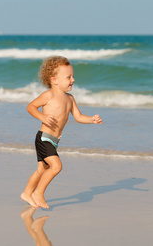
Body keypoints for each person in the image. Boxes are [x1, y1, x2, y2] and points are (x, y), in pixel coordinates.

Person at [20, 56, 102, 209]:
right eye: (69, 77)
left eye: (73, 76)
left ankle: (26, 193)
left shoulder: (70, 99)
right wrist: (42, 116)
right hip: (44, 138)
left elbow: (78, 117)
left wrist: (91, 119)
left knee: (41, 169)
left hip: (54, 140)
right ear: (54, 79)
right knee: (56, 166)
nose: (73, 79)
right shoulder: (48, 95)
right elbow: (31, 107)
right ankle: (38, 193)